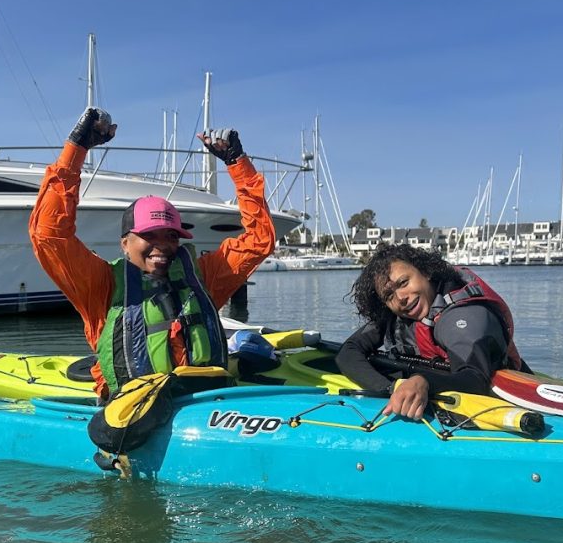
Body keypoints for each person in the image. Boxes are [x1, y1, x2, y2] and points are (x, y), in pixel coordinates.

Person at [29, 107, 275, 401]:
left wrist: (237, 163)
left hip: (205, 406)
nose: (163, 245)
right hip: (133, 412)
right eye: (148, 235)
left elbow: (259, 241)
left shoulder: (202, 277)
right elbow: (49, 235)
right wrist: (76, 149)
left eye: (171, 236)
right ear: (125, 243)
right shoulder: (100, 285)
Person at [335, 243, 527, 420]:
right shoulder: (397, 315)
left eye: (404, 283)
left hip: (504, 392)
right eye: (389, 295)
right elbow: (348, 351)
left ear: (425, 272)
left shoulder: (463, 316)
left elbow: (476, 380)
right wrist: (391, 388)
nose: (401, 297)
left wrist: (424, 382)